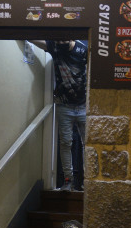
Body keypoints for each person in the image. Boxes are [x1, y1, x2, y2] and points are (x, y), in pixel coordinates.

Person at [31, 40, 88, 191]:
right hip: (64, 105)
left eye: (64, 39)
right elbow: (34, 39)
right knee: (65, 143)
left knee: (88, 145)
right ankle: (68, 180)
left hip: (84, 105)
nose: (61, 42)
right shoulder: (55, 46)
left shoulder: (84, 49)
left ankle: (87, 180)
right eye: (59, 39)